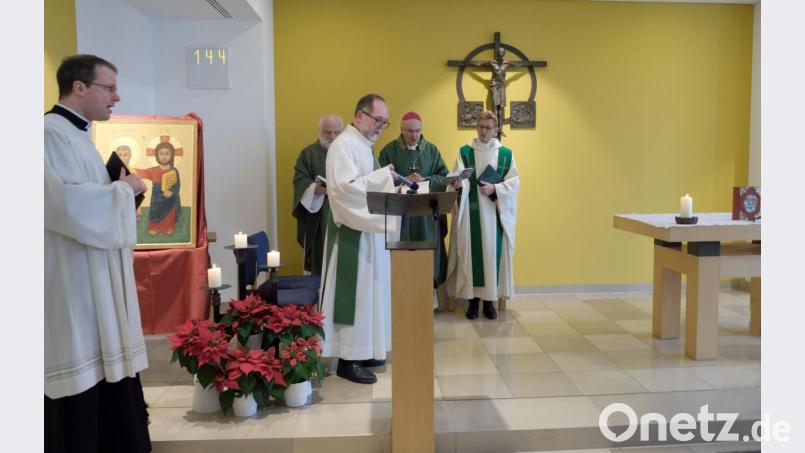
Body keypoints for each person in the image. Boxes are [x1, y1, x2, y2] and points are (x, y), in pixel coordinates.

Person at [44, 54, 151, 452]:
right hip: (74, 280)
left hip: (95, 277)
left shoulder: (79, 136)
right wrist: (126, 191)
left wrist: (118, 190)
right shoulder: (47, 134)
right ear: (79, 87)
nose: (116, 96)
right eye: (110, 88)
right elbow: (64, 206)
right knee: (84, 371)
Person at [319, 93, 398, 384]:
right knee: (356, 296)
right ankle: (347, 359)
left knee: (370, 294)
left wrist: (384, 177)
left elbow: (364, 184)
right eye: (378, 120)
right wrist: (382, 178)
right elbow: (345, 190)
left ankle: (365, 350)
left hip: (367, 234)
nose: (380, 126)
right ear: (360, 115)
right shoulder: (344, 145)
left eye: (384, 122)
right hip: (351, 235)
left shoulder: (362, 146)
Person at [446, 110, 519, 320]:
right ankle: (472, 302)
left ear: (496, 129)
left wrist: (496, 190)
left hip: (495, 215)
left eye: (488, 127)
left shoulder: (506, 154)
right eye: (481, 127)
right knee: (471, 255)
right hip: (471, 215)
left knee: (490, 255)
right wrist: (459, 184)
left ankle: (489, 303)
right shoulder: (465, 152)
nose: (484, 131)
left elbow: (514, 184)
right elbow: (458, 178)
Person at [378, 111, 450, 307]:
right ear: (401, 130)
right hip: (400, 216)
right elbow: (379, 180)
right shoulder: (389, 151)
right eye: (409, 131)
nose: (414, 135)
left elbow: (444, 177)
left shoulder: (431, 150)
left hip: (426, 215)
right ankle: (399, 301)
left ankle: (428, 302)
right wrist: (402, 182)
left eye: (417, 131)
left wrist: (426, 179)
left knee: (426, 256)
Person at [292, 114, 343, 275]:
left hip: (344, 212)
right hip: (319, 215)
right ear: (320, 131)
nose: (332, 137)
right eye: (327, 132)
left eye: (336, 132)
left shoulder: (348, 152)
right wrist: (314, 188)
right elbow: (300, 179)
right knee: (320, 259)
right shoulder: (308, 153)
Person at [135, 141, 181, 236]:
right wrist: (130, 169)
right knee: (155, 212)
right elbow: (142, 173)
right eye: (161, 153)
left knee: (169, 213)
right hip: (157, 198)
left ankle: (168, 226)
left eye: (167, 153)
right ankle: (154, 227)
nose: (164, 156)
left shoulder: (173, 170)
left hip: (169, 198)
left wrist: (171, 191)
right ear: (157, 155)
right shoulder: (153, 170)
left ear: (171, 155)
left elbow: (177, 185)